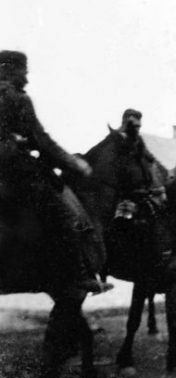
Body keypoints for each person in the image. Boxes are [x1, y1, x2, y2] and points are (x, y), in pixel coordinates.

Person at [0, 50, 108, 294]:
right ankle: (78, 276)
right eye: (23, 71)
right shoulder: (17, 98)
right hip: (13, 170)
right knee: (65, 217)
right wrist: (73, 163)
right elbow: (42, 141)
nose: (26, 77)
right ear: (10, 70)